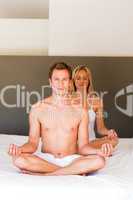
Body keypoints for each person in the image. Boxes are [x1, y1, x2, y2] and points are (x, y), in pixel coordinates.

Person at [8, 62, 113, 176]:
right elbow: (32, 144)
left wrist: (99, 151)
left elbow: (83, 147)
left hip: (71, 159)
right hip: (46, 159)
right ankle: (70, 171)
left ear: (70, 82)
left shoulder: (81, 111)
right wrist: (19, 149)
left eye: (64, 80)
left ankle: (46, 174)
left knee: (100, 161)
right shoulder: (37, 109)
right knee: (18, 159)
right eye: (56, 79)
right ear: (50, 82)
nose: (60, 84)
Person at [72, 65, 118, 149]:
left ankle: (85, 148)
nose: (81, 81)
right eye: (78, 78)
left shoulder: (97, 101)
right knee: (73, 145)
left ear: (89, 80)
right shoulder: (68, 100)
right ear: (73, 80)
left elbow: (100, 128)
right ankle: (83, 148)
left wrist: (109, 132)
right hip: (74, 142)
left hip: (91, 141)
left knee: (114, 141)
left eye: (85, 78)